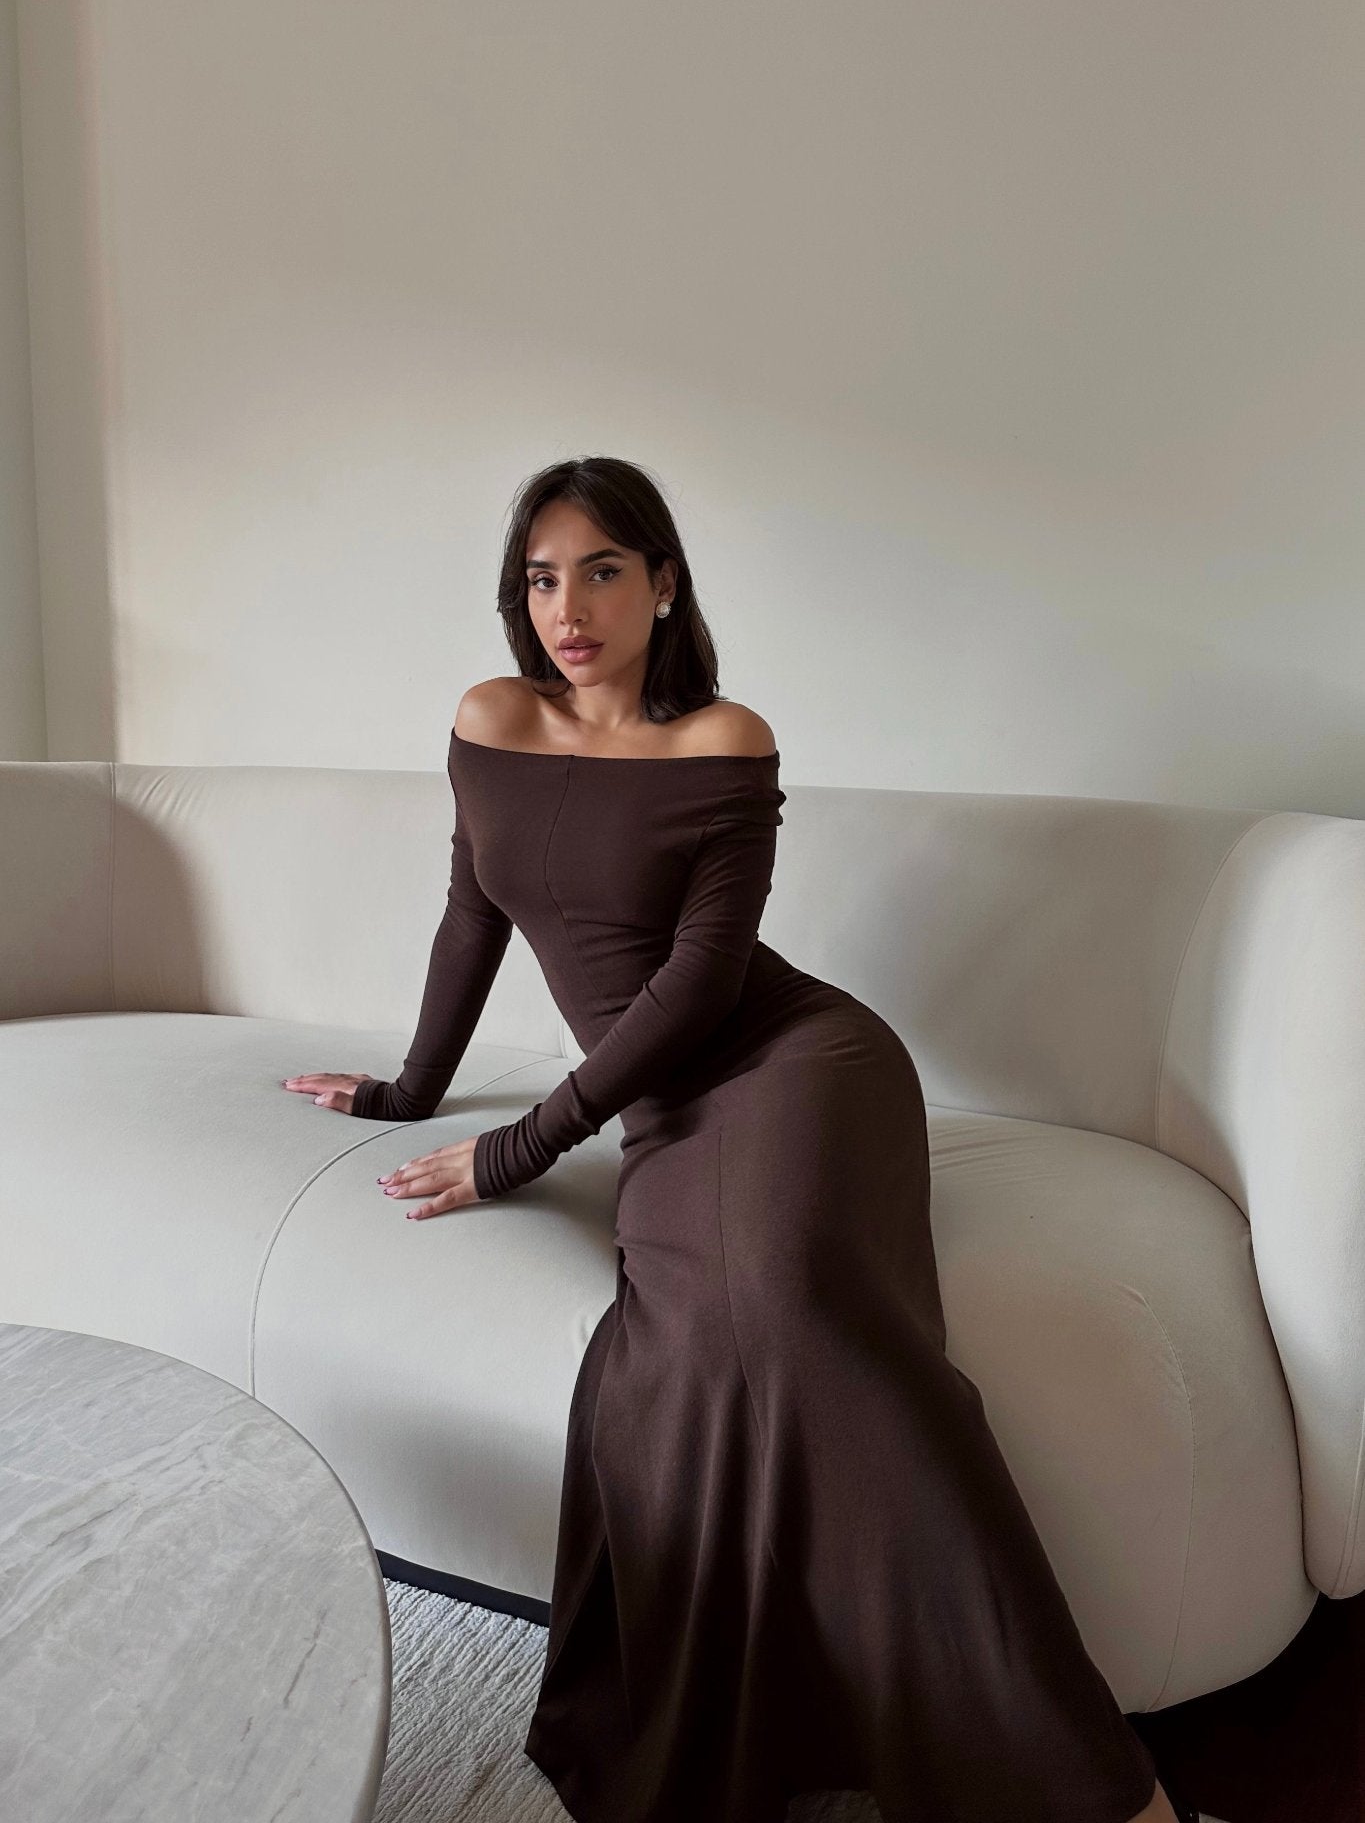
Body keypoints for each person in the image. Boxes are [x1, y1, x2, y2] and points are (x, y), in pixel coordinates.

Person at [285, 456, 1199, 1823]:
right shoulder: (488, 717)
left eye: (602, 568)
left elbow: (702, 985)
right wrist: (414, 1093)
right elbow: (473, 914)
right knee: (701, 1341)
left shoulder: (720, 739)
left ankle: (1076, 1780)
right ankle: (777, 1727)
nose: (568, 606)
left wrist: (517, 1150)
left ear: (663, 582)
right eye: (541, 575)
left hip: (793, 1064)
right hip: (659, 1108)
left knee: (795, 1317)